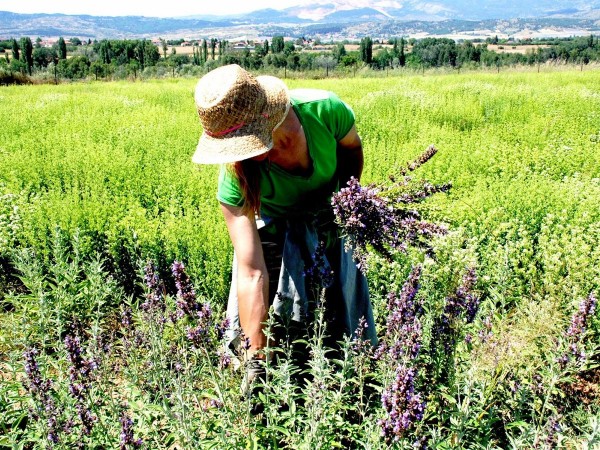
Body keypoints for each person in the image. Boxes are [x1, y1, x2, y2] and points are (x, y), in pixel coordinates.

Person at [191, 64, 376, 392]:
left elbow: (351, 149)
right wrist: (256, 360)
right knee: (283, 322)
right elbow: (251, 273)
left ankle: (343, 388)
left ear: (268, 117)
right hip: (275, 235)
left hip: (329, 224)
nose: (243, 156)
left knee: (337, 316)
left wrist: (348, 201)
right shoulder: (235, 181)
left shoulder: (325, 111)